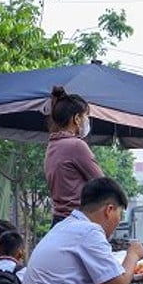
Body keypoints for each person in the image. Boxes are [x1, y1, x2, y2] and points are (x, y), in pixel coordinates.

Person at [45, 86, 104, 225]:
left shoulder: (52, 144)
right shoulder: (76, 145)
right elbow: (102, 183)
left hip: (59, 221)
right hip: (76, 222)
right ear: (77, 118)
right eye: (86, 116)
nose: (87, 120)